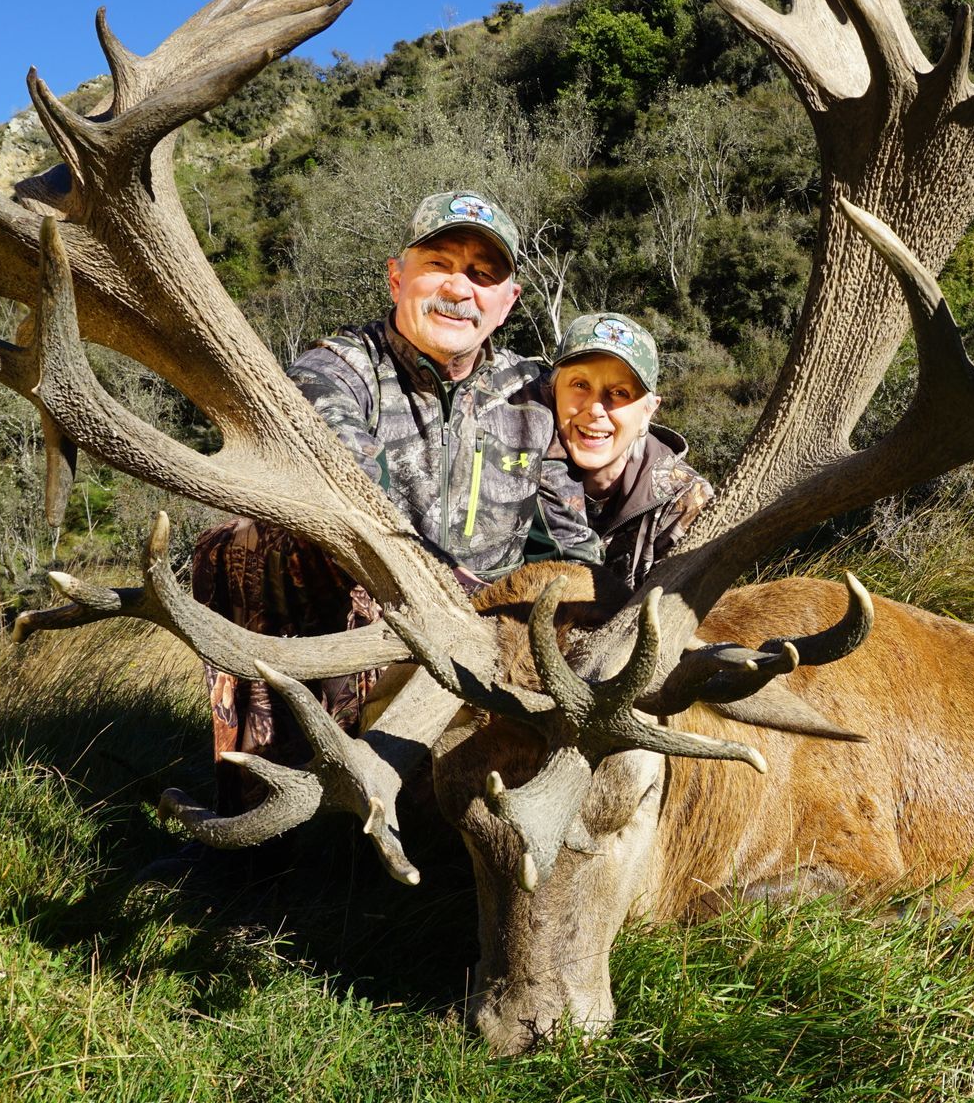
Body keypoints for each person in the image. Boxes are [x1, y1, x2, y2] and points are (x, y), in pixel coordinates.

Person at [192, 190, 601, 818]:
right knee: (245, 544)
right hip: (370, 622)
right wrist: (441, 597)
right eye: (439, 264)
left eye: (483, 275)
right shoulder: (335, 371)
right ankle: (271, 802)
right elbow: (348, 495)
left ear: (507, 303)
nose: (459, 289)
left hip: (493, 642)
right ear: (396, 276)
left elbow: (569, 538)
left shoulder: (535, 394)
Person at [546, 312, 714, 594]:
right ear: (553, 393)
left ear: (649, 410)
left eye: (620, 392)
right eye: (579, 385)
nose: (596, 409)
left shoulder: (686, 503)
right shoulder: (519, 469)